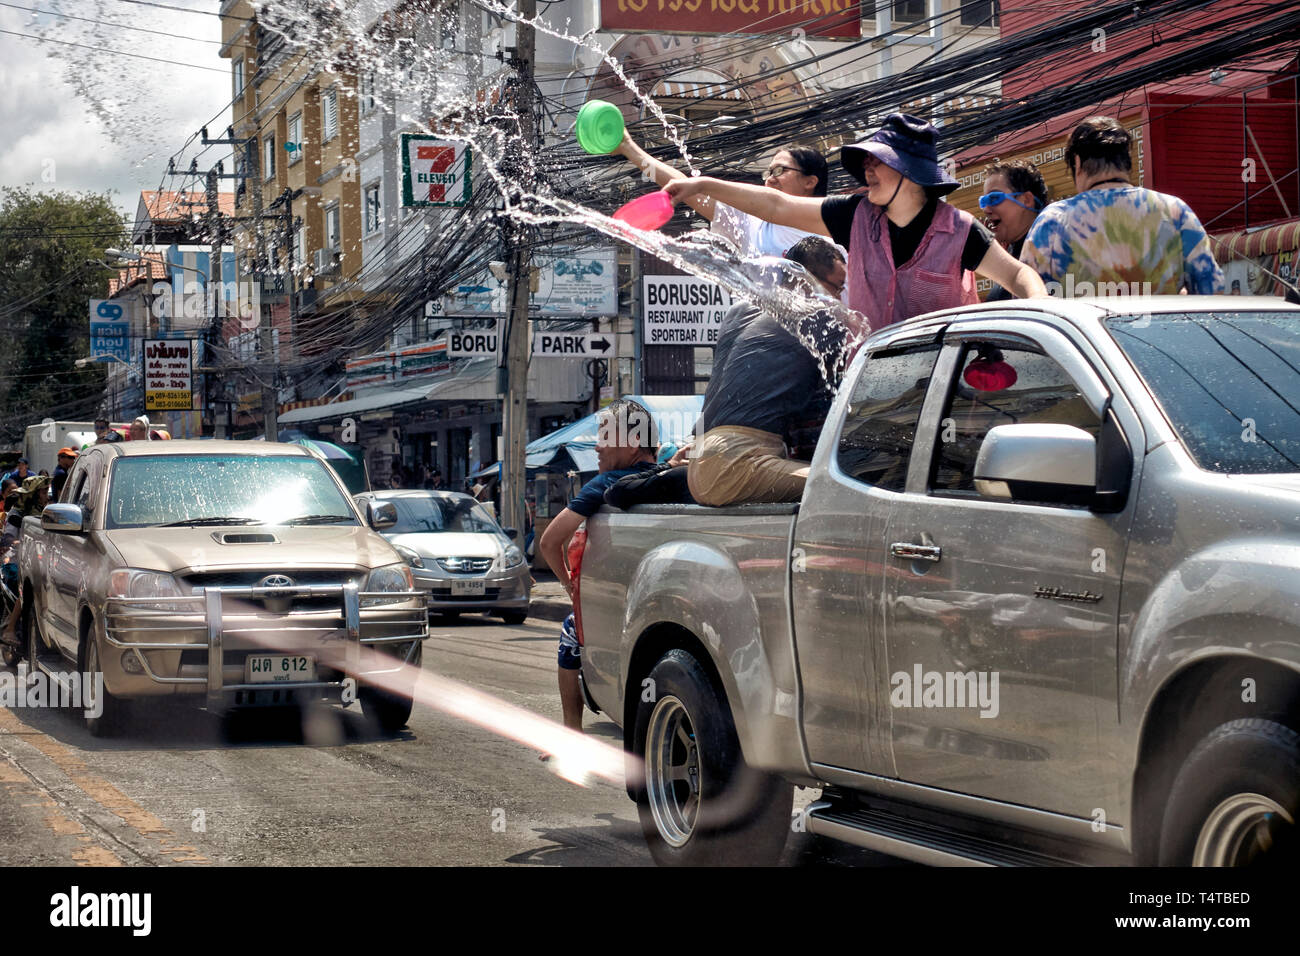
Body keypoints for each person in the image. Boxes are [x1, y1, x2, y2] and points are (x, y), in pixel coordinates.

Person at [663, 113, 1047, 332]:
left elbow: (1018, 277)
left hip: (937, 385)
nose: (868, 171)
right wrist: (702, 184)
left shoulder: (959, 231)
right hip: (867, 386)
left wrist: (1040, 313)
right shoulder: (854, 216)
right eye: (867, 163)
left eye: (878, 163)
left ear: (910, 175)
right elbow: (776, 206)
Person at [684, 241, 850, 507]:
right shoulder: (817, 317)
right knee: (853, 490)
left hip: (702, 453)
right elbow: (843, 389)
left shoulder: (738, 310)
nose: (839, 298)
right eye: (837, 287)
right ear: (806, 280)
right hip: (740, 460)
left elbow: (723, 388)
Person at [538, 399, 658, 734]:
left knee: (569, 631)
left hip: (613, 599)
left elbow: (549, 542)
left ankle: (572, 735)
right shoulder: (669, 476)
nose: (597, 446)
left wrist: (570, 588)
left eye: (605, 436)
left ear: (633, 442)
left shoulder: (606, 485)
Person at [1021, 116, 1224, 295]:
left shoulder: (1054, 221)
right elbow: (1212, 292)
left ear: (1078, 163)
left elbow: (1028, 303)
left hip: (1080, 338)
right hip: (1162, 338)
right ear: (1128, 164)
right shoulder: (1175, 211)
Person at [616, 133, 831, 258]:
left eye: (779, 171)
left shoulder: (838, 226)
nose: (769, 180)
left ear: (810, 181)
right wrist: (628, 147)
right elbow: (681, 185)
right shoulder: (752, 223)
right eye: (768, 172)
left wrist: (703, 184)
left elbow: (775, 203)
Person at [980, 160, 1048, 301]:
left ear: (1026, 199)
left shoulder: (1053, 249)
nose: (986, 210)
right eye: (983, 201)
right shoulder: (1008, 258)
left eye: (994, 198)